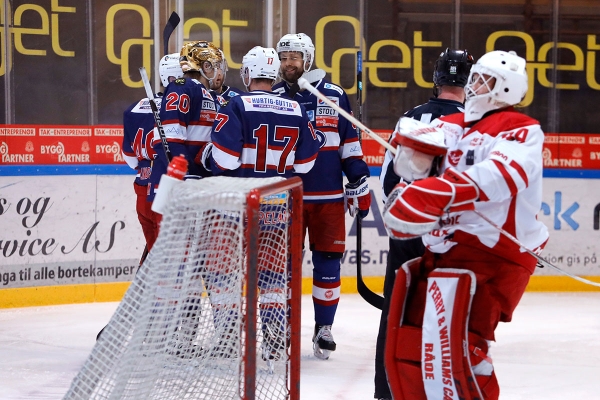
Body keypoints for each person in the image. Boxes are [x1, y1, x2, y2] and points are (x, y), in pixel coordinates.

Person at [381, 50, 549, 400]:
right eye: (474, 78)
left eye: (484, 80)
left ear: (508, 89)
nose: (474, 86)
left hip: (492, 253)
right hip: (443, 250)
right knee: (414, 342)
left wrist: (432, 193)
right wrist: (410, 160)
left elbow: (500, 177)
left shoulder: (521, 129)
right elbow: (411, 169)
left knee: (463, 349)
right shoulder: (451, 125)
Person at [196, 45, 320, 361]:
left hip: (232, 206)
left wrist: (208, 153)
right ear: (274, 74)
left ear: (248, 75)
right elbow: (305, 165)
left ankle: (226, 342)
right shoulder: (295, 109)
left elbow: (224, 159)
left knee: (223, 274)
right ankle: (276, 343)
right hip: (276, 205)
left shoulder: (236, 106)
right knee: (272, 278)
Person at [374, 48, 474, 400]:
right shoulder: (476, 124)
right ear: (469, 81)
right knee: (450, 318)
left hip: (408, 233)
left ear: (437, 79)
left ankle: (386, 391)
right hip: (450, 238)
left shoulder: (410, 119)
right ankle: (442, 390)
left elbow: (388, 182)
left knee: (395, 310)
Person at [272, 33, 371, 360]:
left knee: (328, 262)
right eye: (284, 57)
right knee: (281, 268)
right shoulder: (270, 97)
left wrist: (359, 180)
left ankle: (323, 328)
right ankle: (279, 330)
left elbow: (350, 146)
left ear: (308, 60)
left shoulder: (334, 95)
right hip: (284, 199)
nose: (289, 63)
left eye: (295, 57)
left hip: (327, 198)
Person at [121, 53, 183, 257]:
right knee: (169, 266)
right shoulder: (177, 109)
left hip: (142, 195)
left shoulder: (133, 109)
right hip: (165, 192)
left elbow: (131, 160)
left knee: (156, 262)